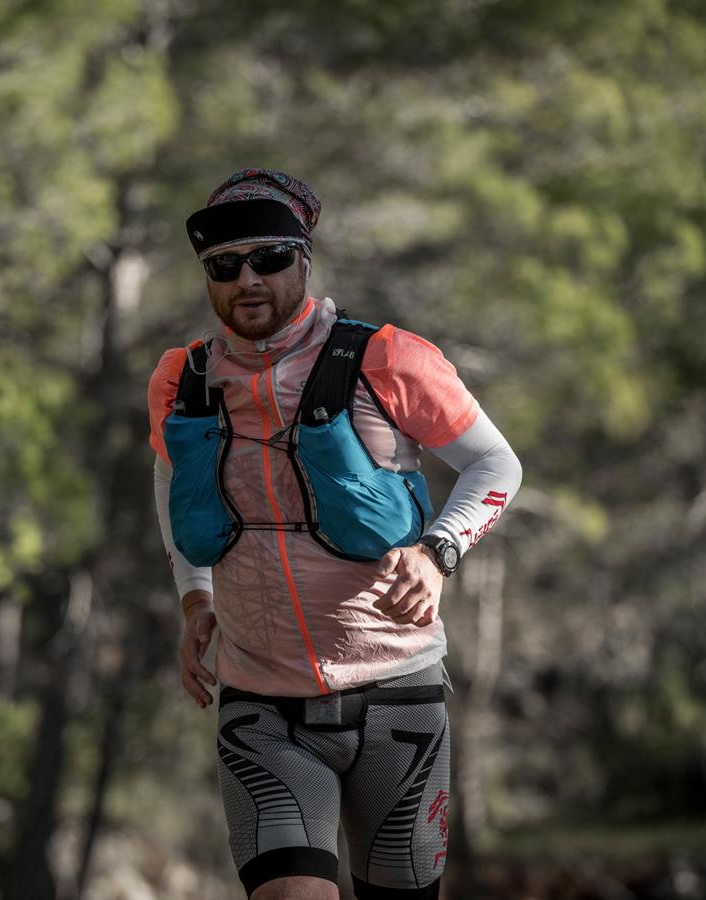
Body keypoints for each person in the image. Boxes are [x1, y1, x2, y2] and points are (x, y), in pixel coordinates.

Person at [147, 169, 522, 900]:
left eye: (269, 260)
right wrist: (194, 598)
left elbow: (494, 463)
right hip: (262, 702)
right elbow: (170, 475)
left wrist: (439, 550)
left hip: (398, 695)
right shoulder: (183, 379)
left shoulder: (386, 358)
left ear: (303, 261)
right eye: (225, 267)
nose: (247, 280)